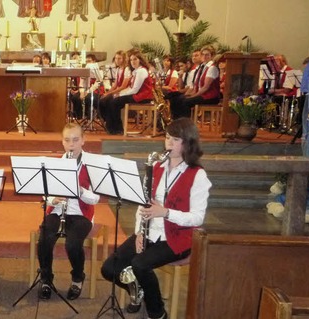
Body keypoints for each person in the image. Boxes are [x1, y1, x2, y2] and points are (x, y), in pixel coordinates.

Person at [100, 118, 211, 319]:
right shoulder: (156, 167)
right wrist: (138, 233)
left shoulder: (198, 175)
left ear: (188, 142)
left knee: (140, 264)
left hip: (177, 238)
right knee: (109, 269)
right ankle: (137, 290)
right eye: (167, 137)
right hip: (148, 231)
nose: (169, 143)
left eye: (175, 139)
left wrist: (166, 212)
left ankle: (157, 312)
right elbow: (143, 204)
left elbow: (197, 217)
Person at [37, 123, 100, 301]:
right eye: (67, 140)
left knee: (72, 244)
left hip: (81, 214)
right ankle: (46, 279)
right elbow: (45, 192)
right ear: (62, 142)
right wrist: (52, 199)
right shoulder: (56, 164)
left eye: (75, 139)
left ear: (83, 140)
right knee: (44, 239)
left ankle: (78, 277)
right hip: (58, 211)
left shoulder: (92, 164)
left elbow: (95, 199)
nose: (71, 144)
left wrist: (79, 190)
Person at [104, 50, 154, 135]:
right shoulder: (136, 71)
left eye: (135, 59)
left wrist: (120, 94)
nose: (132, 62)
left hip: (143, 97)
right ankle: (111, 127)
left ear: (140, 60)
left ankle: (118, 129)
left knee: (114, 102)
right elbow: (131, 88)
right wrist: (119, 94)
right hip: (137, 95)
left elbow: (135, 90)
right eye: (131, 60)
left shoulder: (142, 71)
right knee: (111, 100)